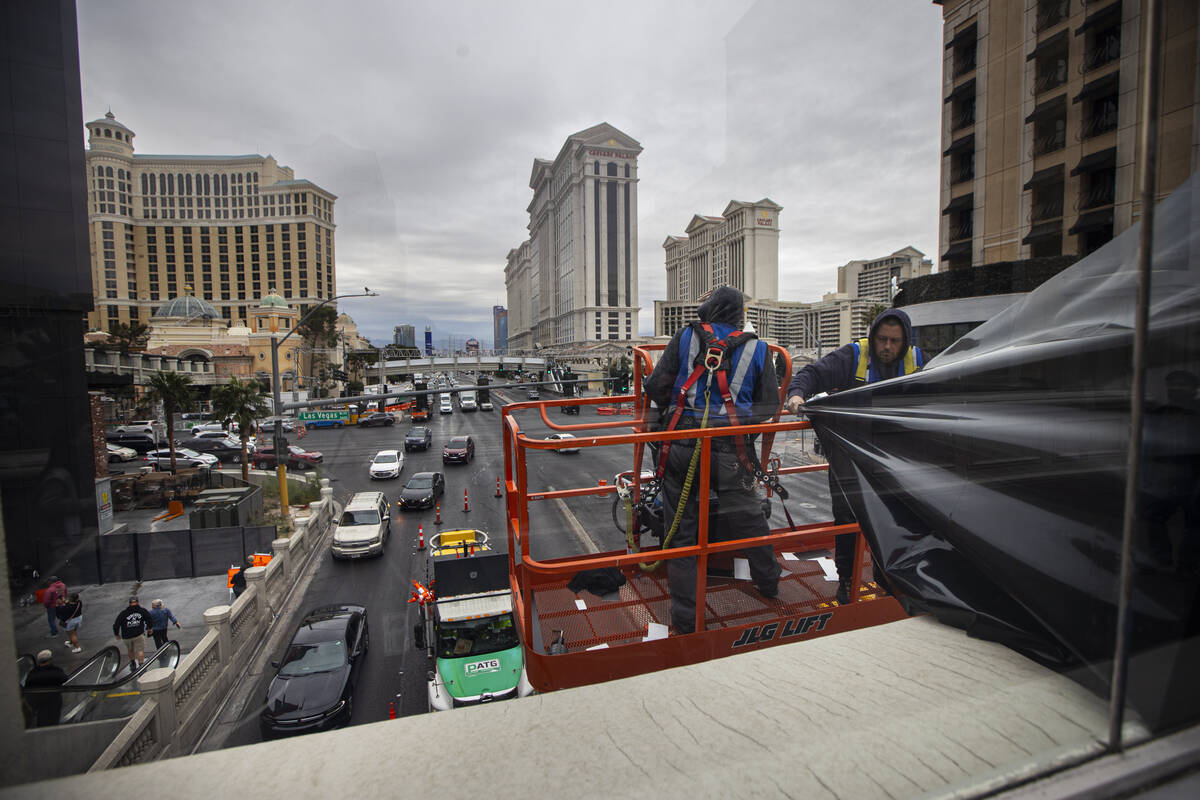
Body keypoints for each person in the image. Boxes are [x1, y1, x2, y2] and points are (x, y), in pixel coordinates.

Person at [645, 286, 782, 634]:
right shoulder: (758, 348)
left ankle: (686, 621)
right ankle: (768, 583)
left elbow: (657, 386)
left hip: (681, 447)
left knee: (682, 535)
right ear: (739, 316)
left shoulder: (686, 337)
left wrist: (684, 410)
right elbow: (768, 406)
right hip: (730, 452)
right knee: (749, 520)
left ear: (709, 310)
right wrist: (733, 420)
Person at [785, 307, 926, 604]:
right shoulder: (853, 356)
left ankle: (886, 579)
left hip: (892, 459)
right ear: (873, 337)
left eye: (895, 341)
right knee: (848, 519)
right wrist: (797, 394)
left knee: (892, 520)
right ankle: (847, 583)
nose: (887, 347)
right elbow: (812, 374)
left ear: (905, 342)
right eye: (882, 339)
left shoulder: (919, 361)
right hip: (849, 456)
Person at [23, 649, 67, 727]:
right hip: (54, 698)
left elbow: (27, 685)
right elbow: (64, 678)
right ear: (50, 659)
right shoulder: (56, 670)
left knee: (41, 716)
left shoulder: (33, 673)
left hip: (39, 700)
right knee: (54, 716)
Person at [112, 596, 150, 671]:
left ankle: (133, 663)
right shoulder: (142, 611)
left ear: (129, 603)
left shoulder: (123, 613)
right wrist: (150, 628)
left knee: (130, 650)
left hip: (127, 636)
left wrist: (116, 634)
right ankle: (141, 665)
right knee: (140, 650)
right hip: (138, 634)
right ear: (138, 602)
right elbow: (149, 619)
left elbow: (116, 624)